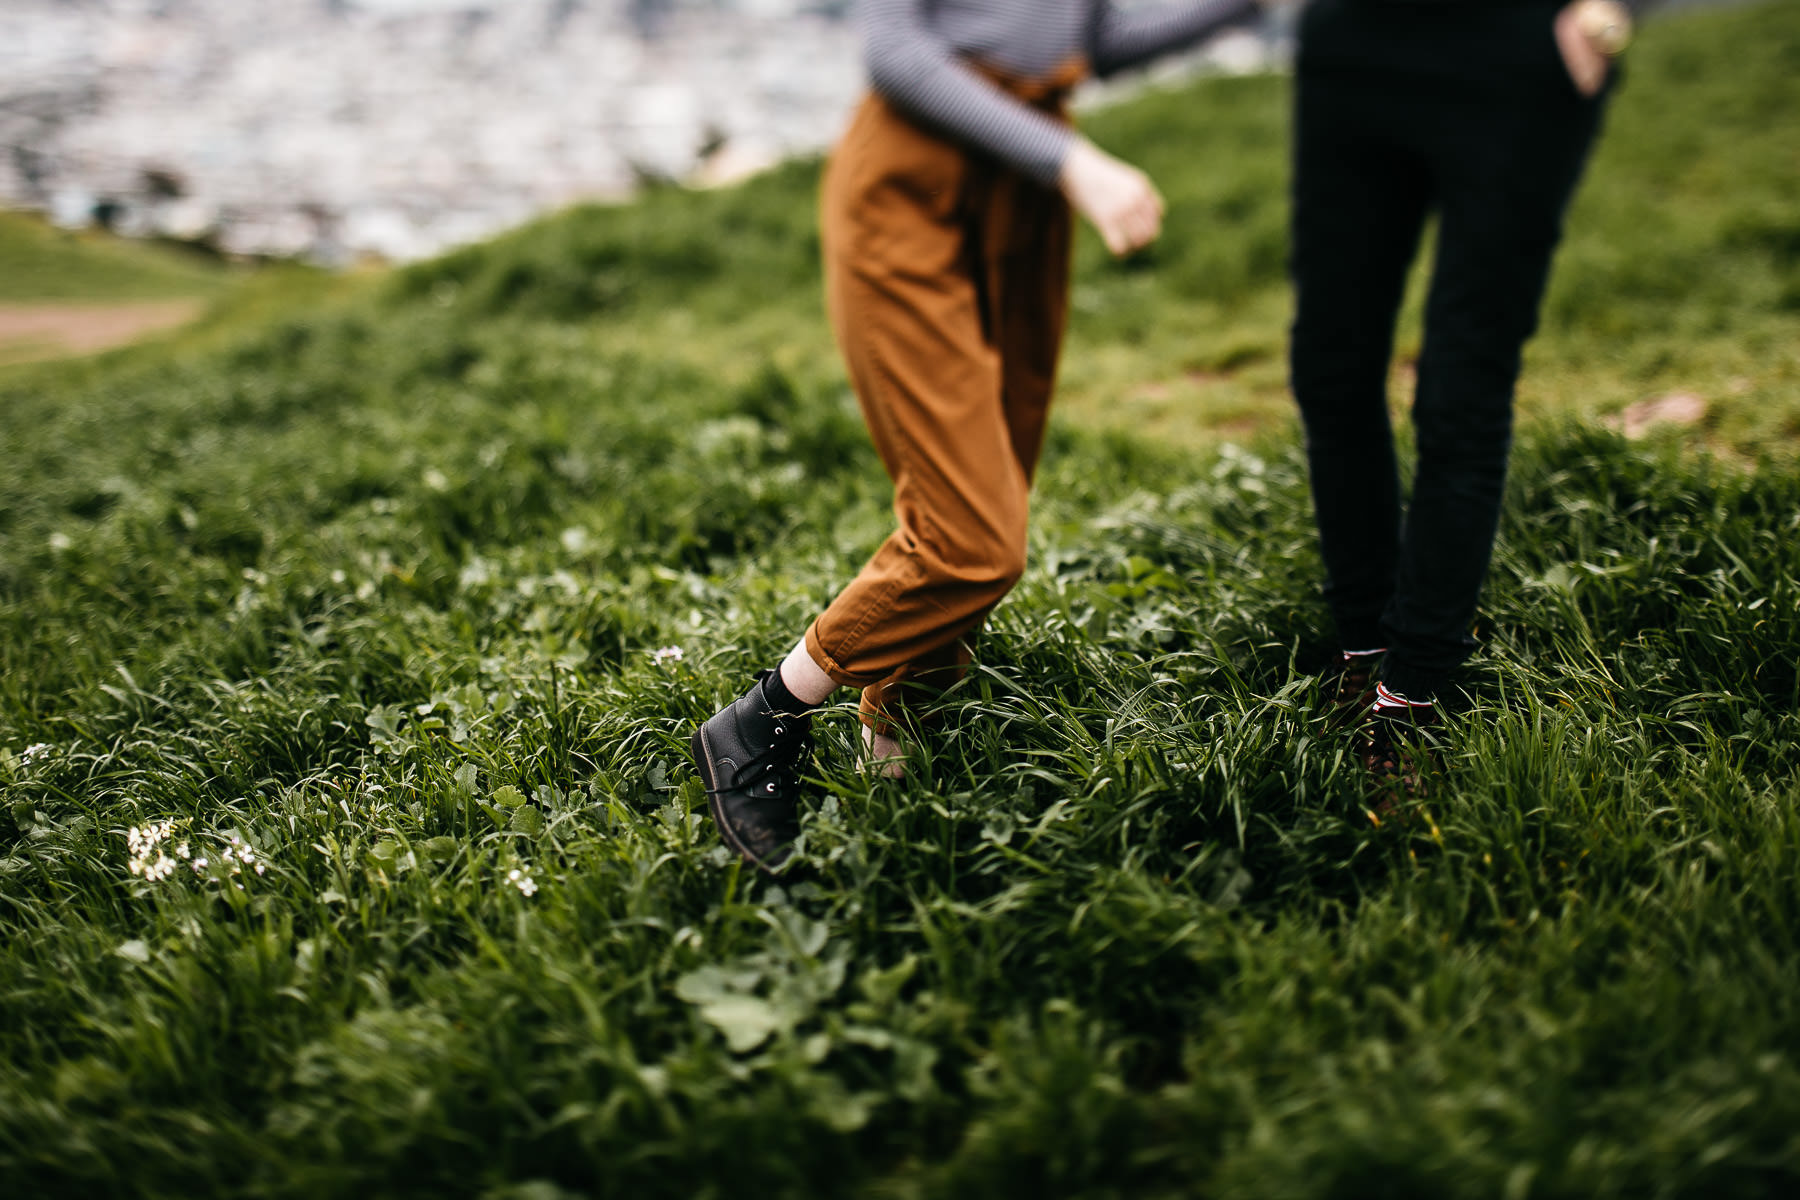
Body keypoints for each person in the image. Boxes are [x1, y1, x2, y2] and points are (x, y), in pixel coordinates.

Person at [693, 0, 1259, 872]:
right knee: (970, 541)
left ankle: (894, 777)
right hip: (914, 196)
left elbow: (1084, 37)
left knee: (997, 478)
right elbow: (893, 49)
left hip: (1021, 202)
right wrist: (1071, 158)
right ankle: (761, 719)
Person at [1287, 0, 1643, 783]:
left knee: (1460, 383)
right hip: (1352, 46)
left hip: (1511, 49)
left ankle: (1416, 686)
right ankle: (1364, 642)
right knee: (1329, 363)